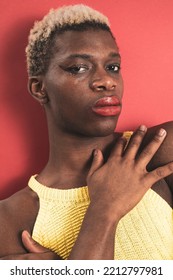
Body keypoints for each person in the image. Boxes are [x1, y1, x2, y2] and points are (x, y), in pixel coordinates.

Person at [0, 4, 173, 260]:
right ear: (39, 88)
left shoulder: (158, 153)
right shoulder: (12, 217)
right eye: (79, 68)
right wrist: (104, 210)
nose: (107, 81)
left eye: (113, 67)